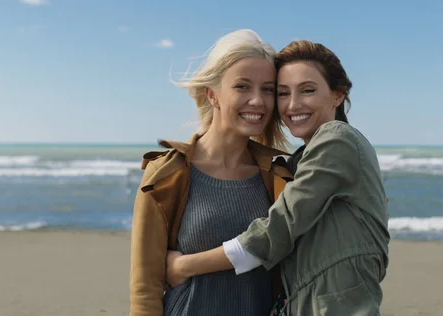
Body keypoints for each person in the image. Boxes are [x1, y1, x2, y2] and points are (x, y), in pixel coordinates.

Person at [165, 40, 390, 316]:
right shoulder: (299, 160)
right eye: (282, 93)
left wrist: (184, 266)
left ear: (337, 95)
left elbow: (277, 230)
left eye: (307, 90)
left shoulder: (337, 139)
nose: (293, 105)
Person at [129, 29, 293, 316]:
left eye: (267, 89)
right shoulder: (168, 173)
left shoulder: (280, 176)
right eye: (242, 86)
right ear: (212, 94)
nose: (258, 101)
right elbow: (145, 290)